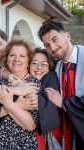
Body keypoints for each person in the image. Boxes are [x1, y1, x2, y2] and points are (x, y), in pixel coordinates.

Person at [0, 39, 39, 150]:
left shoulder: (33, 85)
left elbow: (30, 125)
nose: (16, 59)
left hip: (20, 145)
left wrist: (9, 105)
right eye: (12, 55)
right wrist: (17, 106)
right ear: (6, 58)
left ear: (28, 60)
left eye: (22, 56)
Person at [38, 21, 84, 149]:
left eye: (55, 40)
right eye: (47, 45)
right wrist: (7, 69)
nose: (52, 48)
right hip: (70, 132)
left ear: (67, 36)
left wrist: (63, 102)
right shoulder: (58, 66)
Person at [29, 48, 62, 150]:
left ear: (50, 67)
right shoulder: (24, 78)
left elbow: (39, 102)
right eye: (34, 63)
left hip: (47, 135)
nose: (39, 67)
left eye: (44, 64)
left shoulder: (52, 79)